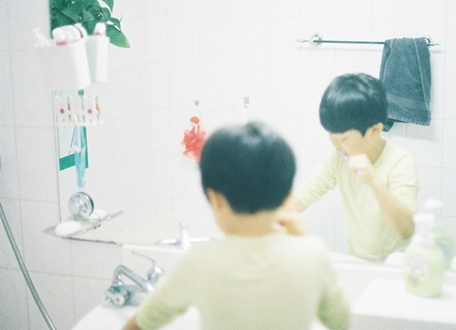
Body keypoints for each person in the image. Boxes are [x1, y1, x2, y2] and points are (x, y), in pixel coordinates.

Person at [122, 122, 351, 330]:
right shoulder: (312, 255)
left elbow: (142, 323)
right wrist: (304, 240)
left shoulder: (197, 263)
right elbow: (340, 321)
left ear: (215, 198)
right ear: (287, 197)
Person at [289, 73, 419, 261]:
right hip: (359, 262)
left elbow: (406, 230)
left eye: (343, 139)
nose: (336, 145)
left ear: (375, 130)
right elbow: (304, 195)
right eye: (332, 136)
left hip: (398, 265)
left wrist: (374, 181)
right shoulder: (339, 157)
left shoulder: (399, 161)